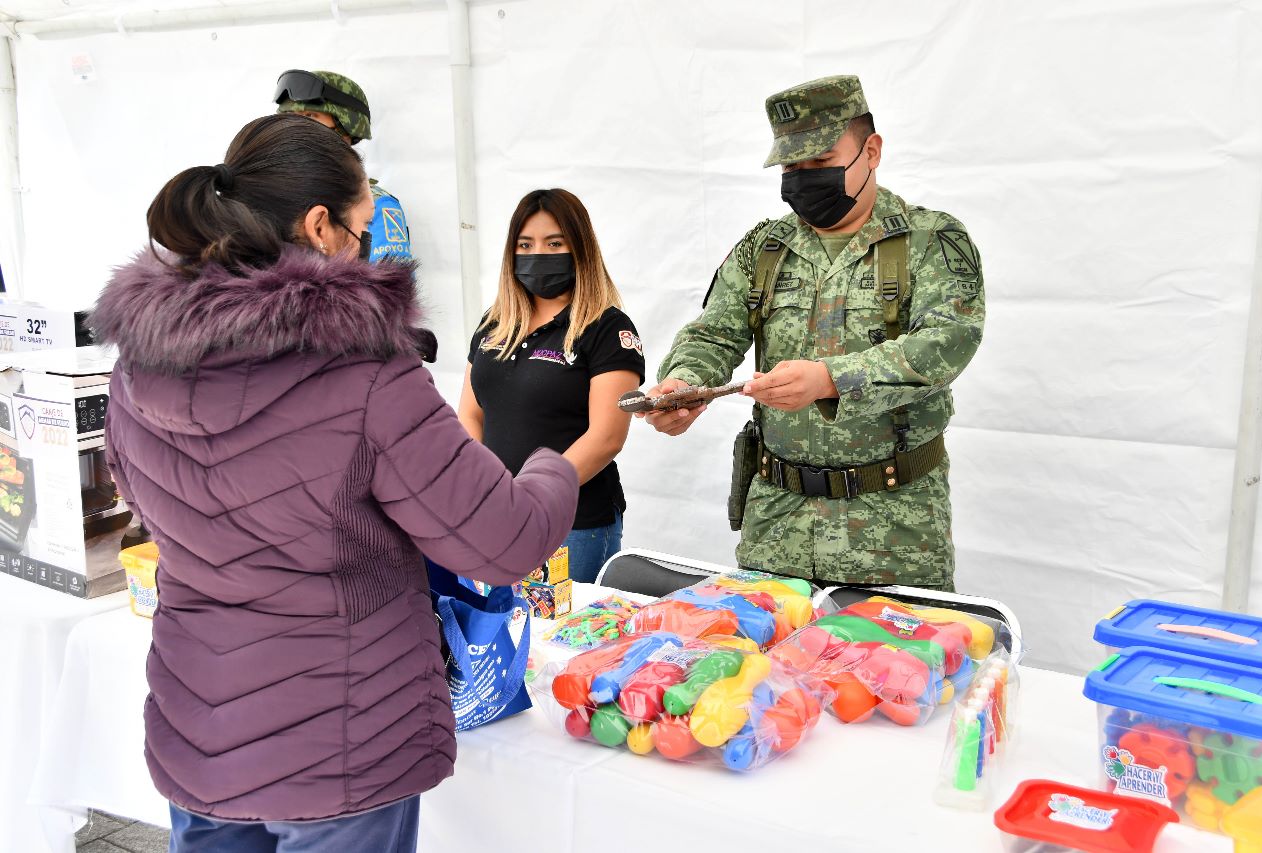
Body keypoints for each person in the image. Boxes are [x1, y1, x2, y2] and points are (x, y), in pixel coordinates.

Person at [91, 114, 577, 852]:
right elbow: (503, 540)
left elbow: (146, 506)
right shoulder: (364, 369)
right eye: (360, 227)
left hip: (201, 729)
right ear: (320, 226)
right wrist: (554, 465)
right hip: (340, 747)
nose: (367, 246)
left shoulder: (135, 370)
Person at [641, 74, 985, 592]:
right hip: (778, 519)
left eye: (820, 164)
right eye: (791, 167)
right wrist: (684, 384)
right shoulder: (764, 248)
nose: (803, 179)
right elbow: (714, 333)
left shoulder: (930, 240)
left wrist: (831, 378)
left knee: (895, 668)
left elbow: (945, 341)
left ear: (871, 151)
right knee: (767, 665)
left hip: (894, 525)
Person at [458, 189, 644, 584]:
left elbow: (607, 436)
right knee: (502, 636)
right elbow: (471, 413)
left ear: (580, 247)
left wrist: (533, 497)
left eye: (554, 243)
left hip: (572, 526)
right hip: (494, 519)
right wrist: (487, 491)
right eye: (525, 244)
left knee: (564, 641)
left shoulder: (607, 329)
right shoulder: (494, 323)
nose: (538, 253)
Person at [274, 69, 413, 263]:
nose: (297, 127)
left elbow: (390, 288)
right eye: (290, 117)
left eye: (310, 116)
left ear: (346, 127)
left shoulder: (374, 206)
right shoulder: (271, 192)